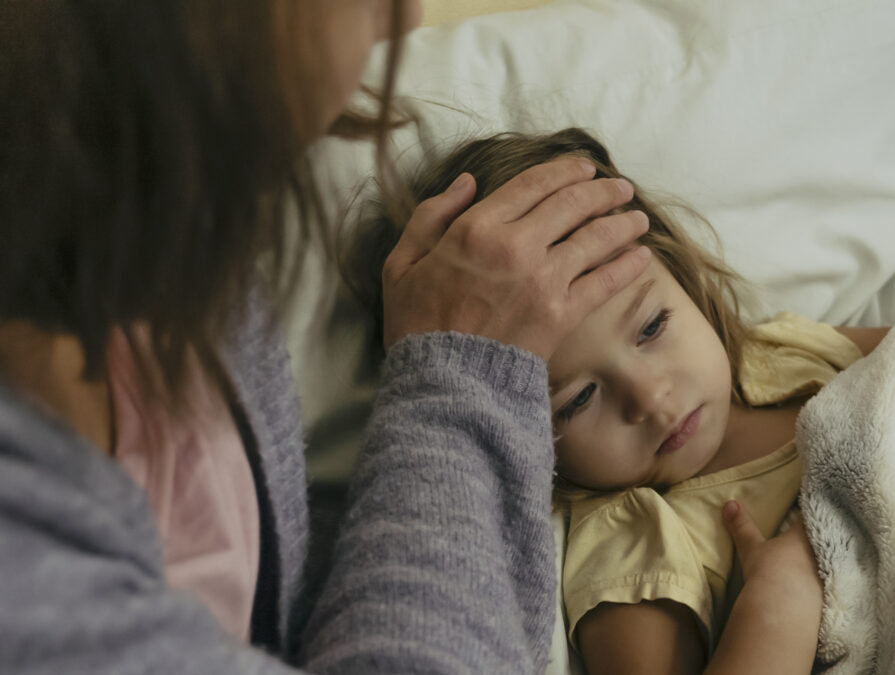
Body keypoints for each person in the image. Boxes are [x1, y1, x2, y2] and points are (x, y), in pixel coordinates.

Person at [0, 1, 654, 673]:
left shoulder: (172, 222)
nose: (404, 19)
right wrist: (464, 376)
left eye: (655, 324)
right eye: (575, 399)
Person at [355, 128, 891, 675]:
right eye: (579, 398)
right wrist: (779, 602)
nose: (649, 397)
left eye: (653, 326)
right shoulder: (634, 540)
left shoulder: (780, 353)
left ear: (680, 273)